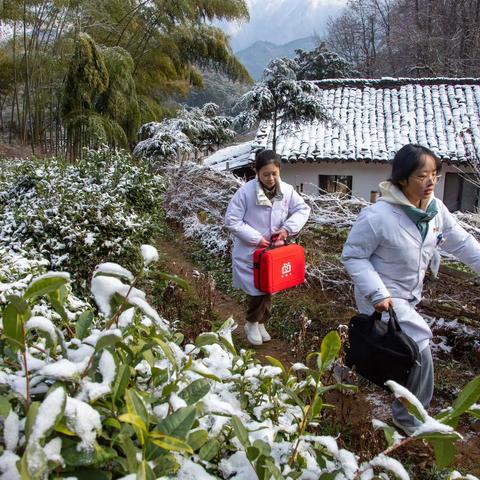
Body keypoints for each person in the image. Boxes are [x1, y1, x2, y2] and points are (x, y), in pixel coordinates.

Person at [341, 143, 480, 435]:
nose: (431, 182)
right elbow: (353, 255)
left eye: (435, 175)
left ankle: (347, 365)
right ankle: (408, 417)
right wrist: (379, 293)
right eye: (422, 176)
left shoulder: (434, 210)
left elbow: (462, 243)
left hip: (408, 295)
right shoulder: (378, 216)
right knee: (419, 347)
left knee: (386, 344)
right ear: (402, 178)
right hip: (380, 295)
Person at [225, 149, 311, 345]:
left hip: (273, 250)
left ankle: (261, 322)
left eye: (274, 173)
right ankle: (252, 322)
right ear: (257, 172)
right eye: (266, 174)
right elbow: (232, 220)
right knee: (257, 290)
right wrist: (255, 238)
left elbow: (302, 209)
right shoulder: (245, 193)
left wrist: (287, 229)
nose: (271, 178)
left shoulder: (287, 190)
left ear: (279, 170)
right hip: (251, 250)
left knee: (270, 286)